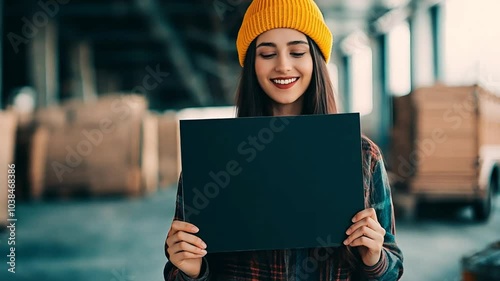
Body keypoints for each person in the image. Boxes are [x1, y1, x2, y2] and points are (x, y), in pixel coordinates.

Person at [163, 0, 404, 280]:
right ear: (251, 65)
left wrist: (374, 256)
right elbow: (177, 272)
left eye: (297, 51)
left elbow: (393, 267)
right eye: (267, 54)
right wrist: (190, 270)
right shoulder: (211, 159)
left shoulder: (363, 156)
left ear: (315, 60)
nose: (283, 65)